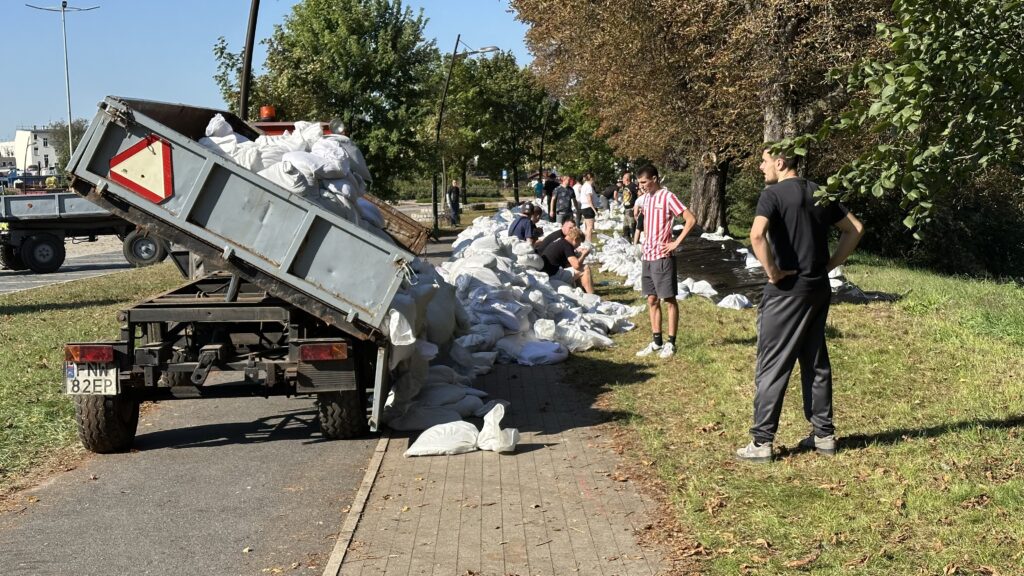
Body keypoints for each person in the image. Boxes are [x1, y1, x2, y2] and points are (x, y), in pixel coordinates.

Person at [735, 148, 865, 464]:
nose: (761, 166)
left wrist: (774, 272)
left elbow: (756, 235)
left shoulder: (773, 194)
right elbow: (855, 229)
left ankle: (762, 441)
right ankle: (824, 436)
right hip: (817, 288)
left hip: (786, 292)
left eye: (765, 161)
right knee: (815, 360)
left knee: (772, 364)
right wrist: (830, 264)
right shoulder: (819, 192)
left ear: (780, 163)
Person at [634, 164, 696, 359]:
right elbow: (639, 204)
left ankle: (671, 342)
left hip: (663, 256)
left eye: (644, 182)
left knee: (668, 299)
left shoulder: (667, 197)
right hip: (648, 256)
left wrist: (676, 242)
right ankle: (656, 341)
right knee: (651, 299)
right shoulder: (645, 198)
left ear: (655, 178)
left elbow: (690, 219)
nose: (642, 186)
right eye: (639, 183)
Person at [540, 227, 594, 293]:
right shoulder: (567, 246)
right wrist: (583, 255)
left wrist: (578, 254)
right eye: (579, 243)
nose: (578, 245)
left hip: (546, 274)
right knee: (585, 268)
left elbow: (569, 261)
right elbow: (576, 265)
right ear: (576, 239)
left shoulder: (561, 241)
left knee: (575, 270)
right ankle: (591, 294)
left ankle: (581, 291)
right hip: (552, 276)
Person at [577, 172, 598, 243]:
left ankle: (585, 241)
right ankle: (589, 243)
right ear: (592, 178)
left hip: (584, 207)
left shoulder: (584, 185)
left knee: (587, 227)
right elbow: (589, 200)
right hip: (588, 208)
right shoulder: (588, 187)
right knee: (590, 228)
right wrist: (595, 211)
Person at [620, 172, 638, 240]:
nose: (622, 180)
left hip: (631, 209)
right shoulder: (626, 187)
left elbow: (640, 194)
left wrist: (636, 206)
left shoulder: (633, 186)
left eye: (623, 178)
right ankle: (626, 239)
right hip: (626, 209)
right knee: (625, 226)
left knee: (632, 226)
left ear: (626, 179)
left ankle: (634, 240)